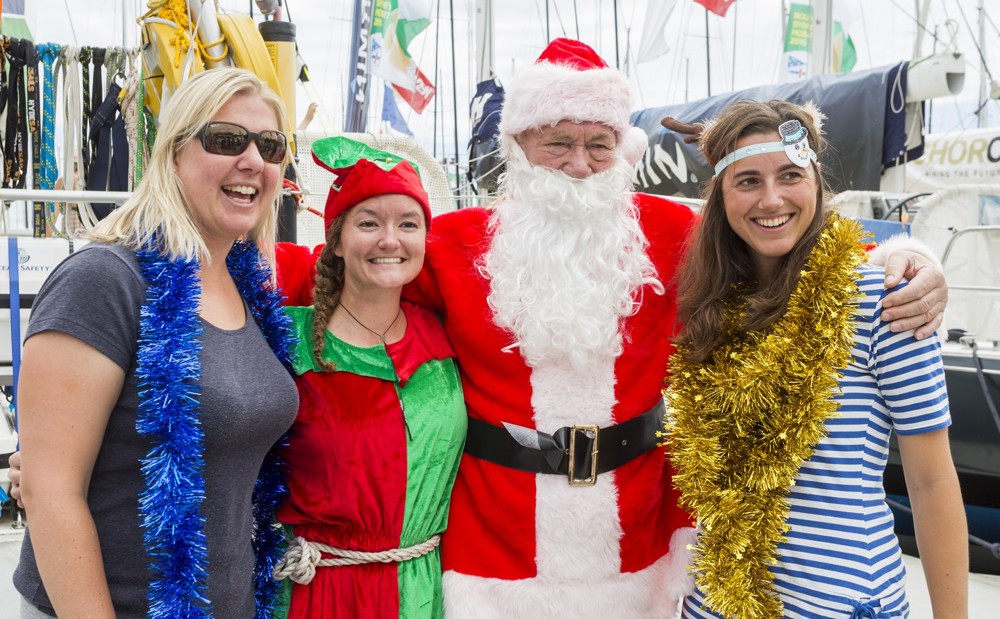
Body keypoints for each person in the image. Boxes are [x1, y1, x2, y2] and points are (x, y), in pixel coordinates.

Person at [273, 39, 949, 619]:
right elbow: (320, 268)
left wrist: (904, 256)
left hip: (641, 537)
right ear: (518, 146)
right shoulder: (453, 244)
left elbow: (791, 245)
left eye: (598, 144)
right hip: (495, 546)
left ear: (622, 149)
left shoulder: (671, 233)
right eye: (558, 142)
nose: (578, 163)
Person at [13, 67, 299, 619]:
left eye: (270, 145)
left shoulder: (249, 288)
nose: (253, 160)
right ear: (172, 156)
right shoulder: (104, 280)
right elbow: (51, 491)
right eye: (225, 139)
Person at [664, 99, 967, 619]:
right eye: (748, 181)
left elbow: (931, 482)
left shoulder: (883, 298)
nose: (772, 198)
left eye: (789, 175)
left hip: (837, 603)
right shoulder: (710, 310)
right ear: (720, 197)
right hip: (714, 602)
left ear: (817, 182)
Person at [270, 139, 467, 619]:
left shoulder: (445, 333)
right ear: (335, 240)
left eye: (408, 224)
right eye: (368, 223)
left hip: (424, 592)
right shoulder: (287, 340)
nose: (389, 240)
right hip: (320, 593)